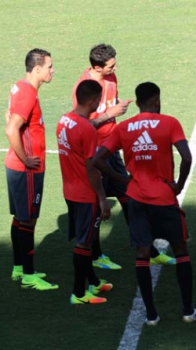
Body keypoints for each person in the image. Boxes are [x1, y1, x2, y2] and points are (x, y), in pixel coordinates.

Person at [93, 82, 196, 325]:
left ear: (138, 101)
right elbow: (186, 156)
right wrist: (179, 184)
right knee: (180, 251)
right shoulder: (169, 122)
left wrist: (122, 179)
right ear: (156, 101)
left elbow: (98, 159)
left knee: (142, 253)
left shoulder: (124, 127)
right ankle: (188, 311)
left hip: (136, 198)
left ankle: (151, 315)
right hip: (164, 197)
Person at [73, 43, 175, 269]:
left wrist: (116, 107)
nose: (115, 67)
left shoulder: (111, 77)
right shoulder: (85, 87)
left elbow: (110, 105)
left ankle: (150, 250)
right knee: (97, 205)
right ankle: (97, 256)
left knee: (129, 198)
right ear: (97, 68)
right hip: (96, 151)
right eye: (111, 65)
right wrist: (111, 114)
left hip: (113, 148)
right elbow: (82, 124)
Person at [5, 48, 58, 290]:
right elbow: (11, 128)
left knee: (21, 219)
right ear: (37, 69)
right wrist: (26, 159)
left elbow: (9, 116)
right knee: (28, 220)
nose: (52, 70)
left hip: (19, 167)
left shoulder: (20, 87)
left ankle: (18, 267)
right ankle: (28, 274)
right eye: (49, 66)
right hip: (26, 169)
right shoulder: (27, 93)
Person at [57, 80, 114, 304]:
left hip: (69, 189)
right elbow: (92, 168)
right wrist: (102, 198)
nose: (100, 104)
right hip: (85, 193)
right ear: (91, 100)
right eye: (99, 100)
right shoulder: (87, 129)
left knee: (86, 240)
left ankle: (94, 281)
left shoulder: (63, 121)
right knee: (83, 243)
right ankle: (79, 294)